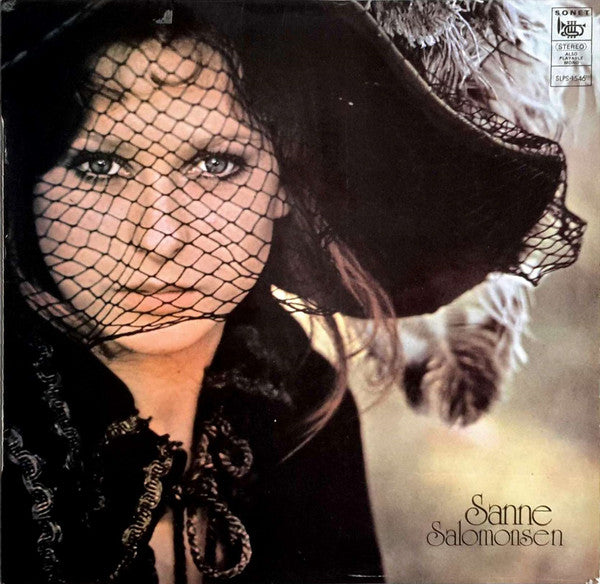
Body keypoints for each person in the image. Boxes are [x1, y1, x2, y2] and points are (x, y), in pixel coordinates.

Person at [1, 1, 584, 583]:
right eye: (100, 167)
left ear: (284, 181)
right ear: (25, 177)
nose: (160, 236)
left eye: (215, 164)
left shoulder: (302, 409)